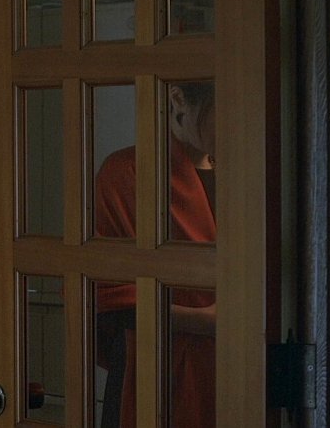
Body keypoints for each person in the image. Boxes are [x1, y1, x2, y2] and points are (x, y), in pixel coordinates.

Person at [95, 81, 216, 428]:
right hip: (152, 366)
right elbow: (106, 297)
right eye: (222, 109)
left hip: (236, 370)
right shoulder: (128, 172)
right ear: (178, 99)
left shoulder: (249, 174)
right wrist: (209, 320)